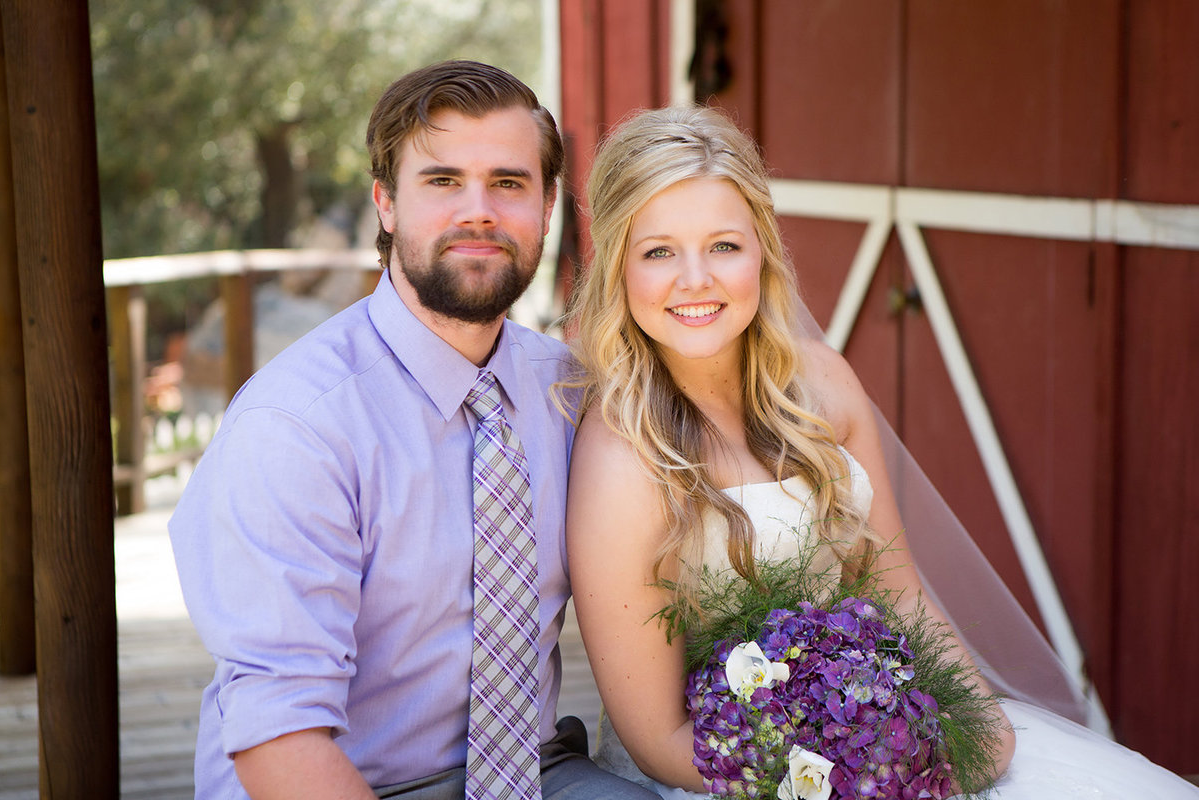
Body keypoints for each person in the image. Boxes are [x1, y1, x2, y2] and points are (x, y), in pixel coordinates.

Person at [563, 105, 1199, 799]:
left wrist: (973, 723)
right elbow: (656, 740)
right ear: (619, 267)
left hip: (870, 749)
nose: (696, 280)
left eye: (723, 245)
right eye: (658, 251)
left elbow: (900, 597)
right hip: (723, 776)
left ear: (763, 251)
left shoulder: (823, 386)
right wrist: (843, 784)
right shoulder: (623, 456)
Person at [170, 60, 659, 800]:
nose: (479, 211)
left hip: (535, 772)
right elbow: (279, 737)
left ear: (549, 205)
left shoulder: (569, 391)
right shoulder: (296, 425)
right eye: (441, 182)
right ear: (386, 204)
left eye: (509, 182)